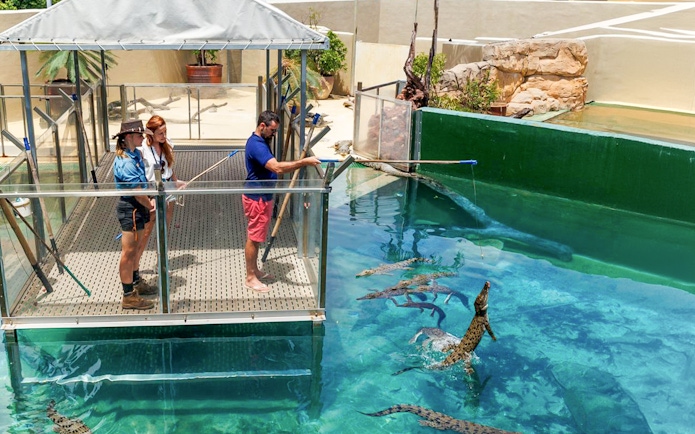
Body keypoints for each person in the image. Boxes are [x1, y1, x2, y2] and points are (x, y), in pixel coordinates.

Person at [243, 110, 321, 293]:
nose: (274, 134)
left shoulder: (261, 141)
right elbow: (277, 167)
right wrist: (304, 162)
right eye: (272, 130)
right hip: (257, 198)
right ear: (262, 126)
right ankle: (250, 277)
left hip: (263, 196)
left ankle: (255, 270)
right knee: (254, 238)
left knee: (257, 236)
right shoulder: (256, 145)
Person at [113, 120, 158, 310]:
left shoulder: (136, 154)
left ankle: (136, 280)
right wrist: (150, 205)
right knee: (129, 251)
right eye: (140, 135)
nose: (143, 138)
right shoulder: (125, 161)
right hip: (130, 207)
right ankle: (128, 295)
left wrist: (147, 200)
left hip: (139, 206)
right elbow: (137, 191)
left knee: (137, 247)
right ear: (129, 137)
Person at [136, 115, 185, 273]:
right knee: (146, 230)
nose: (164, 136)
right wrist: (147, 196)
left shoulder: (167, 144)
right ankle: (135, 266)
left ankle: (161, 262)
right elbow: (141, 173)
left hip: (168, 186)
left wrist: (176, 182)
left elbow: (169, 167)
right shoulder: (142, 148)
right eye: (160, 134)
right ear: (151, 134)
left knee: (164, 227)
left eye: (165, 132)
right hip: (152, 189)